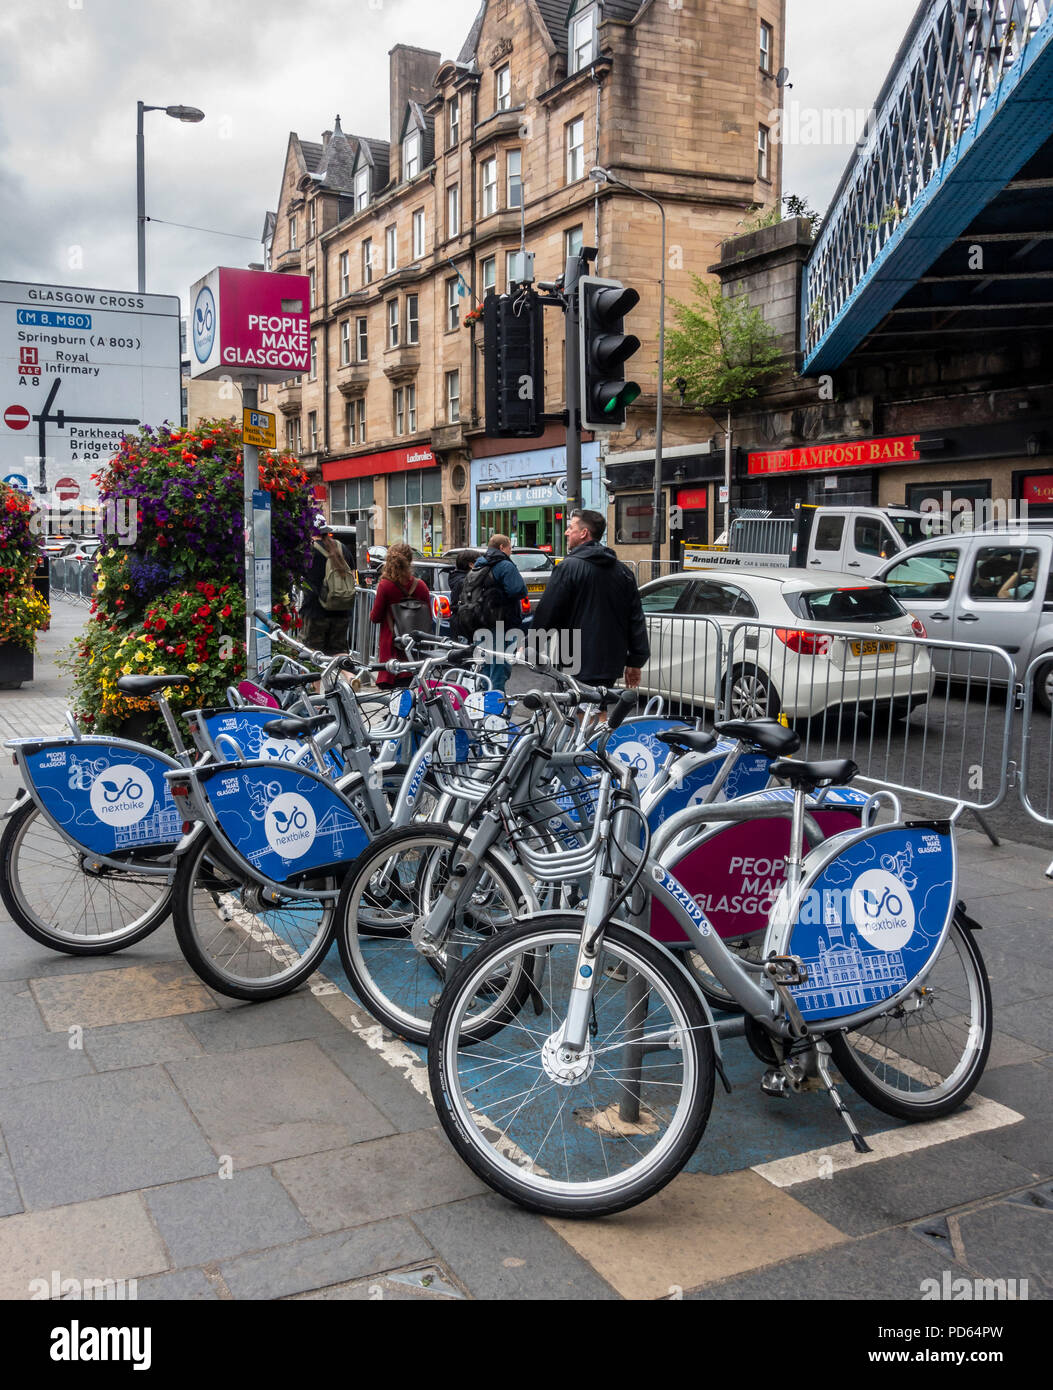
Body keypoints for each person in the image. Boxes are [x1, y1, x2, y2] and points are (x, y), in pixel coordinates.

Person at [530, 508, 649, 697]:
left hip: (575, 655)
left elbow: (548, 612)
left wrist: (531, 646)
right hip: (610, 659)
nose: (567, 532)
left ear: (584, 533)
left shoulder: (568, 567)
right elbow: (635, 618)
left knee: (579, 712)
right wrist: (636, 660)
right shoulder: (623, 571)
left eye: (571, 528)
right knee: (597, 709)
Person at [462, 534, 527, 692]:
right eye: (510, 548)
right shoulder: (505, 566)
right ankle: (495, 707)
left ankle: (484, 701)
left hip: (480, 621)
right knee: (499, 667)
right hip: (501, 623)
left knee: (485, 665)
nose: (510, 551)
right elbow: (518, 590)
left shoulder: (479, 565)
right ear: (502, 548)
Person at [369, 542, 431, 687]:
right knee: (411, 692)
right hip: (414, 646)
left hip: (393, 645)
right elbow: (428, 616)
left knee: (394, 695)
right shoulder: (420, 585)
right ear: (410, 561)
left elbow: (375, 617)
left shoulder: (385, 586)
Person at [301, 529, 356, 655]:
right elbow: (352, 575)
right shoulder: (341, 547)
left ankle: (318, 675)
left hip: (315, 611)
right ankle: (352, 675)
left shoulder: (310, 550)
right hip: (342, 610)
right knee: (339, 653)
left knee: (311, 654)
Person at [447, 551, 475, 639]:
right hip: (463, 625)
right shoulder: (463, 582)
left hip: (459, 622)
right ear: (471, 565)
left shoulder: (458, 578)